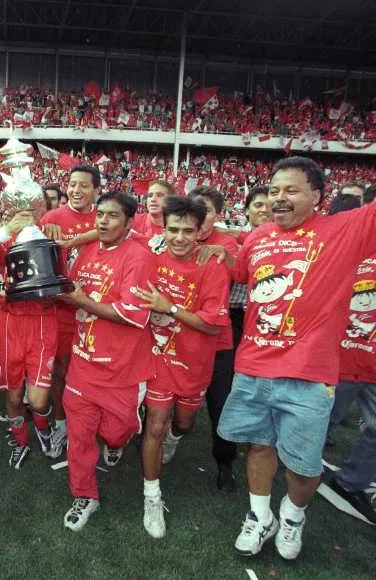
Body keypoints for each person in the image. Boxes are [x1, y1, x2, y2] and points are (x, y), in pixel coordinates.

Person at [218, 156, 376, 561]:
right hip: (252, 366)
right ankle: (259, 516)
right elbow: (237, 272)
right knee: (258, 447)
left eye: (292, 190)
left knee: (304, 466)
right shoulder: (257, 237)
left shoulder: (345, 229)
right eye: (274, 191)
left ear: (317, 196)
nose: (279, 199)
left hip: (309, 375)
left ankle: (292, 515)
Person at [58, 191, 155, 530]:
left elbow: (133, 315)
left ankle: (119, 440)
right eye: (100, 214)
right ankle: (84, 495)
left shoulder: (139, 257)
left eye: (113, 216)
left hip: (122, 371)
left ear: (130, 222)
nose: (102, 221)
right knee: (81, 438)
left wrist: (81, 300)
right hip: (83, 367)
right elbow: (71, 291)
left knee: (117, 433)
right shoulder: (85, 251)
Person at [137, 195, 230, 538]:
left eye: (187, 231)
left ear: (199, 232)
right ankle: (151, 495)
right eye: (173, 229)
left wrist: (170, 307)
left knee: (184, 424)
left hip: (194, 362)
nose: (179, 237)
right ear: (163, 227)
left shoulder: (212, 266)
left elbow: (211, 325)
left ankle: (175, 437)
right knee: (155, 427)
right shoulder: (148, 257)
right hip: (158, 358)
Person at [0, 207, 58, 468]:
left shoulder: (50, 228)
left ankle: (43, 427)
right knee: (14, 395)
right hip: (11, 323)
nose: (26, 206)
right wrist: (6, 230)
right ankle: (20, 441)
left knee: (39, 399)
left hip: (43, 320)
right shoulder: (3, 233)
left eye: (32, 200)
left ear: (40, 203)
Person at [38, 164, 102, 457]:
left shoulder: (106, 217)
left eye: (84, 186)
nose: (76, 190)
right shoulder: (52, 218)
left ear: (96, 191)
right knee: (61, 369)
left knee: (94, 368)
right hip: (63, 309)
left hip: (98, 311)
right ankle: (62, 424)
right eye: (72, 184)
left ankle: (95, 425)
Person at [323, 194, 376, 525]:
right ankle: (299, 474)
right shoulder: (345, 247)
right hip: (339, 359)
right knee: (320, 422)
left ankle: (351, 481)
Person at [190, 186, 241, 492]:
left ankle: (224, 463)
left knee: (220, 404)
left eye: (205, 210)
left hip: (215, 340)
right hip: (174, 336)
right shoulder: (172, 238)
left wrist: (226, 257)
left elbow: (240, 273)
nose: (197, 215)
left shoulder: (227, 243)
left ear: (218, 216)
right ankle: (165, 439)